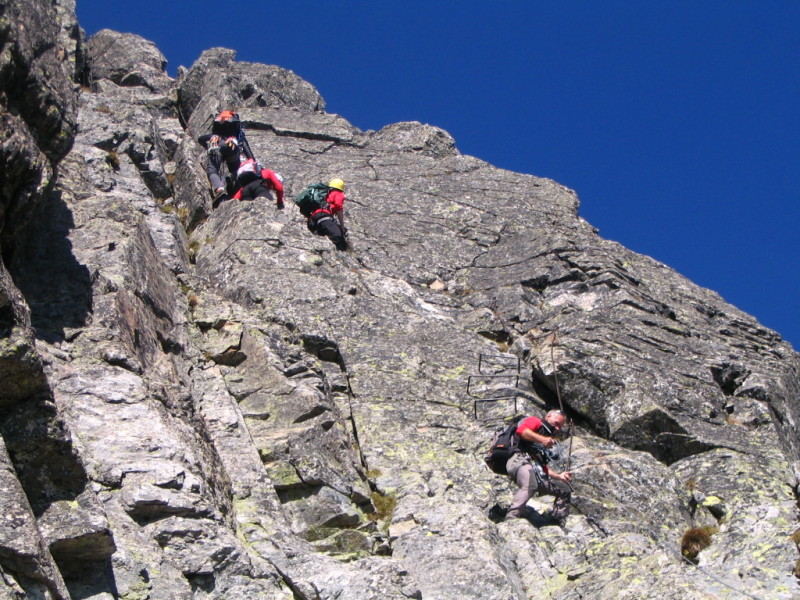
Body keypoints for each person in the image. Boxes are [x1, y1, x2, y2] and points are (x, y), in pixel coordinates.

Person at [505, 410, 572, 524]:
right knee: (530, 484)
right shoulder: (535, 421)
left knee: (564, 490)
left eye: (559, 426)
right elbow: (522, 431)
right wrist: (542, 439)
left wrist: (559, 476)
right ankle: (511, 518)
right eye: (556, 423)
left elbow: (542, 467)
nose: (557, 428)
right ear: (548, 416)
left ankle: (557, 519)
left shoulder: (539, 443)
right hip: (517, 459)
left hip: (533, 466)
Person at [197, 110, 255, 199]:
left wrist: (207, 145)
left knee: (212, 171)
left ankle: (219, 188)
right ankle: (234, 182)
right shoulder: (237, 136)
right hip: (232, 146)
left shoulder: (214, 137)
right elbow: (246, 148)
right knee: (235, 169)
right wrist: (252, 161)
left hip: (216, 145)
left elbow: (200, 139)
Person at [307, 178, 348, 250]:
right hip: (324, 216)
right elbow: (338, 206)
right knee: (338, 235)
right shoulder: (338, 194)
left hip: (313, 218)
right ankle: (340, 255)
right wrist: (342, 226)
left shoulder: (325, 193)